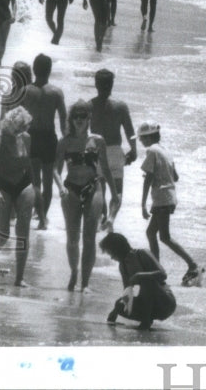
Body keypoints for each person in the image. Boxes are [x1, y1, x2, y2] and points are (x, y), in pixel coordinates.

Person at [53, 100, 120, 292]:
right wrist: (60, 187)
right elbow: (55, 170)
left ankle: (86, 282)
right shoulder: (64, 142)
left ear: (89, 118)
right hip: (71, 189)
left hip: (94, 188)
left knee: (89, 238)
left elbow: (106, 169)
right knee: (72, 238)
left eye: (83, 116)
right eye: (76, 116)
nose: (79, 120)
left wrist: (115, 195)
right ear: (71, 119)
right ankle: (74, 272)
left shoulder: (97, 140)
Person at [137, 122, 202, 285]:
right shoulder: (166, 151)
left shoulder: (151, 151)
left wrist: (143, 204)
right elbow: (176, 177)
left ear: (150, 136)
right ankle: (157, 269)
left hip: (162, 199)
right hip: (169, 196)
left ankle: (192, 265)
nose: (140, 141)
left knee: (164, 237)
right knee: (151, 233)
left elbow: (149, 179)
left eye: (142, 138)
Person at [0, 106, 35, 287]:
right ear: (9, 123)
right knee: (2, 234)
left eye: (25, 127)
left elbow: (29, 166)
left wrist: (37, 190)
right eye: (19, 127)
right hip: (2, 185)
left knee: (23, 234)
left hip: (23, 185)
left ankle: (19, 278)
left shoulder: (27, 139)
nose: (21, 131)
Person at [19, 53, 67, 230]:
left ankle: (38, 213)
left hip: (31, 137)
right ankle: (42, 219)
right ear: (50, 70)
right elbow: (63, 120)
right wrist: (67, 142)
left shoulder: (25, 91)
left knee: (34, 182)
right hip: (49, 137)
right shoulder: (56, 92)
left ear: (33, 69)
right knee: (48, 181)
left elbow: (18, 118)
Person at [100, 232, 177, 330]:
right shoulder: (123, 266)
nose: (112, 257)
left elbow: (163, 275)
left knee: (147, 281)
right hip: (149, 306)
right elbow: (127, 292)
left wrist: (140, 275)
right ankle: (147, 318)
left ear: (118, 249)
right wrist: (115, 311)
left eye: (111, 254)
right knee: (119, 304)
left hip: (165, 303)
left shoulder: (142, 254)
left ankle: (146, 322)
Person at [90, 68, 137, 226]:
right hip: (116, 151)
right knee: (117, 191)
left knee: (99, 190)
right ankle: (111, 218)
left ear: (96, 84)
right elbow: (130, 131)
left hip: (96, 151)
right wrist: (134, 150)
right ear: (112, 85)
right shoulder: (120, 106)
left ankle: (99, 219)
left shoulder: (89, 106)